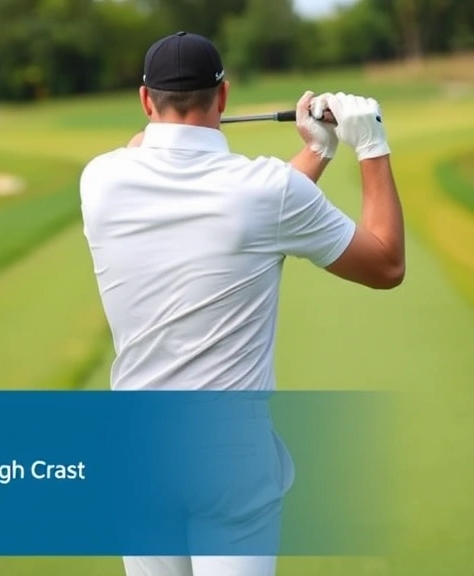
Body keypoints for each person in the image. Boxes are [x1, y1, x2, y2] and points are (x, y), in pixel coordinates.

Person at [79, 32, 404, 576]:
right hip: (227, 449)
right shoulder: (267, 191)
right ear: (224, 98)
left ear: (144, 100)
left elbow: (240, 214)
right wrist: (369, 144)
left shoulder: (101, 179)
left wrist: (315, 152)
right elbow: (386, 264)